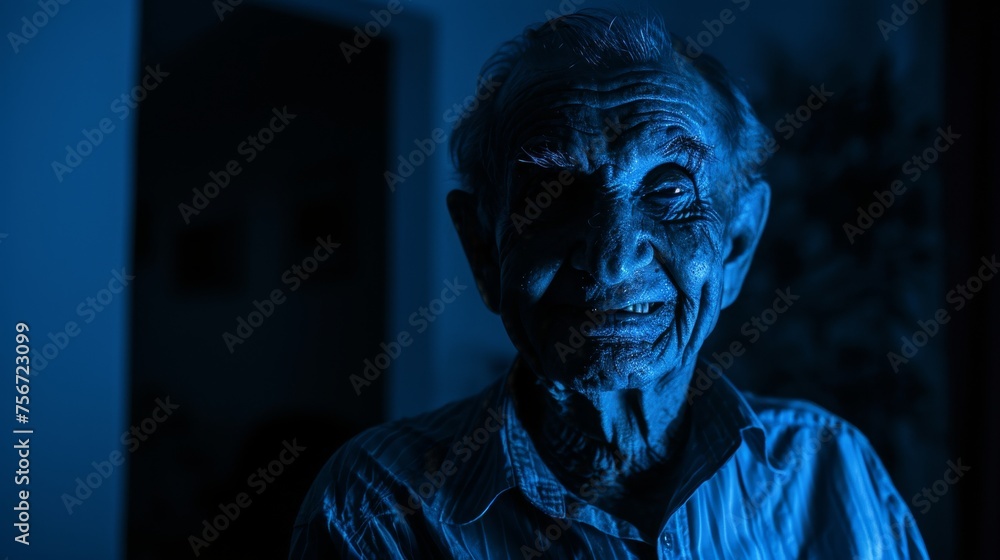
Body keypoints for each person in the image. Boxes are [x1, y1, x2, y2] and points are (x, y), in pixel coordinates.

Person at [290, 9, 929, 559]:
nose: (611, 260)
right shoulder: (379, 504)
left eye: (670, 189)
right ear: (484, 252)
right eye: (549, 194)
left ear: (735, 245)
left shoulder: (830, 465)